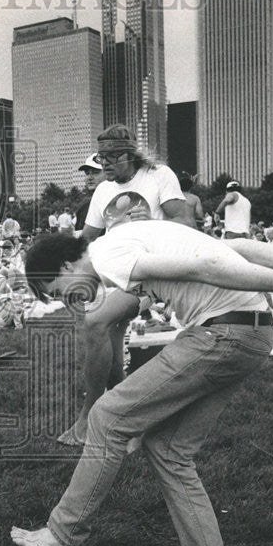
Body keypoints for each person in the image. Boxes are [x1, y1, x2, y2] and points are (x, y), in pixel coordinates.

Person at [11, 223, 273, 546]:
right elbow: (240, 249)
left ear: (67, 266)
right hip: (249, 333)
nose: (74, 300)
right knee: (168, 450)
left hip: (222, 335)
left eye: (60, 291)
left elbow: (208, 268)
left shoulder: (106, 256)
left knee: (106, 417)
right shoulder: (122, 244)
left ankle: (63, 534)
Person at [59, 123, 189, 446]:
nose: (103, 166)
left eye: (109, 159)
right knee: (109, 339)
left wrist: (150, 240)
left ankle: (89, 416)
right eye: (100, 159)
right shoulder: (103, 190)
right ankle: (125, 420)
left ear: (129, 154)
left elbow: (185, 222)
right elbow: (88, 238)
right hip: (115, 272)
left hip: (150, 274)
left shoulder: (159, 176)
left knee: (97, 322)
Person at [74, 153, 105, 233]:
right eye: (87, 173)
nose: (90, 177)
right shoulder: (84, 206)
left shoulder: (120, 198)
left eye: (95, 172)